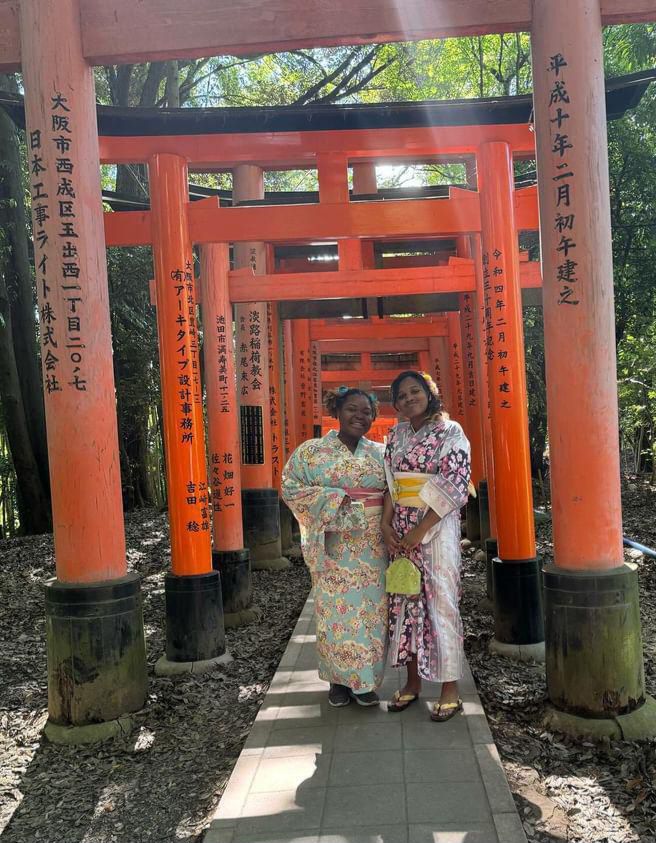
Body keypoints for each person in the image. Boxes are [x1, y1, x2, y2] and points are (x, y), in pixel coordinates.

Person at [281, 387, 388, 708]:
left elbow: (395, 494)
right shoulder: (311, 452)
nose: (360, 416)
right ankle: (337, 682)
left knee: (372, 614)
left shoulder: (382, 453)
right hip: (333, 547)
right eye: (352, 409)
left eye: (366, 411)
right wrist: (338, 500)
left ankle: (364, 681)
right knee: (334, 615)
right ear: (337, 411)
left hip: (373, 547)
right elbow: (290, 486)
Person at [381, 371, 471, 722]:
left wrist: (421, 529)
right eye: (400, 395)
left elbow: (455, 483)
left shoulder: (451, 432)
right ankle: (412, 682)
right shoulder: (397, 434)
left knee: (440, 602)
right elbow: (390, 482)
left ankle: (450, 690)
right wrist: (385, 523)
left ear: (430, 393)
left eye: (414, 391)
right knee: (403, 600)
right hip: (401, 528)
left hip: (435, 527)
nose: (408, 399)